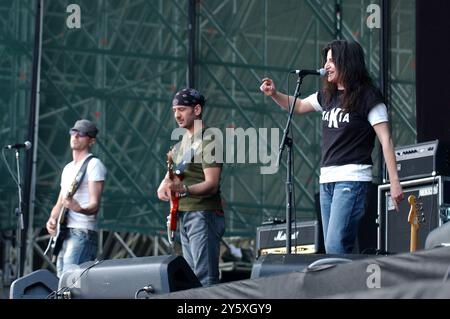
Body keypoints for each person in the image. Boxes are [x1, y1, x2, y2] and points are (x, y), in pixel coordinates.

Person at [260, 40, 404, 254]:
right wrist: (274, 94)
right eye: (326, 60)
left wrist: (394, 182)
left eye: (332, 60)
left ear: (347, 62)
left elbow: (386, 140)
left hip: (352, 179)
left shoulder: (368, 96)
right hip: (327, 180)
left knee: (336, 244)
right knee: (333, 247)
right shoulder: (328, 96)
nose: (326, 65)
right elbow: (298, 106)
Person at [157, 88, 225, 286]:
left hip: (203, 215)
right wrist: (165, 187)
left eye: (181, 109)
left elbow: (212, 184)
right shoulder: (179, 147)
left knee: (205, 279)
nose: (177, 115)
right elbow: (167, 185)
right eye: (174, 110)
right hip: (185, 215)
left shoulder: (210, 139)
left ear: (196, 109)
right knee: (192, 280)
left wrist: (184, 190)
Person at [46, 119, 107, 277]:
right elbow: (60, 202)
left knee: (72, 283)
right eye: (73, 132)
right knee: (61, 281)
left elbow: (95, 205)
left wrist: (78, 208)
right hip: (63, 232)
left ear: (91, 141)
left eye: (81, 134)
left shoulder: (94, 164)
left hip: (82, 232)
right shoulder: (67, 168)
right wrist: (52, 219)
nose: (75, 136)